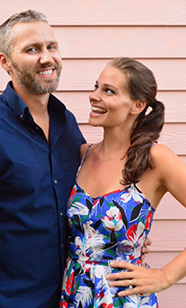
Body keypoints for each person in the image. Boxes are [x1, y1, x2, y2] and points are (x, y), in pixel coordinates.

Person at [0, 10, 86, 308]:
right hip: (10, 300)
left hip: (71, 295)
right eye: (32, 49)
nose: (47, 58)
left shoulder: (66, 122)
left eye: (51, 47)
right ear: (5, 62)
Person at [59, 57, 186, 307]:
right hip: (74, 295)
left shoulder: (154, 159)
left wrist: (166, 276)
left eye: (108, 91)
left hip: (123, 299)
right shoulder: (82, 155)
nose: (94, 96)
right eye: (96, 87)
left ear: (137, 105)